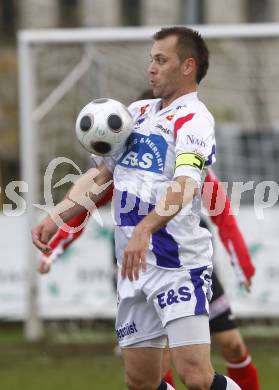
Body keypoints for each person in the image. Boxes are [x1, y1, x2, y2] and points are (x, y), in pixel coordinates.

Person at [32, 26, 241, 389]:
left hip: (178, 264)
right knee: (140, 381)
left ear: (188, 66)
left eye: (161, 60)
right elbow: (101, 174)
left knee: (195, 377)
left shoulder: (194, 121)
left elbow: (185, 186)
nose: (151, 68)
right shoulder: (135, 113)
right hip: (133, 268)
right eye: (151, 59)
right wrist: (58, 214)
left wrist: (144, 228)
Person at [39, 169, 260, 390]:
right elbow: (87, 200)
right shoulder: (122, 159)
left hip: (188, 264)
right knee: (152, 369)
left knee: (231, 346)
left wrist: (242, 262)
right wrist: (54, 248)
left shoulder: (186, 150)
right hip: (140, 266)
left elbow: (222, 212)